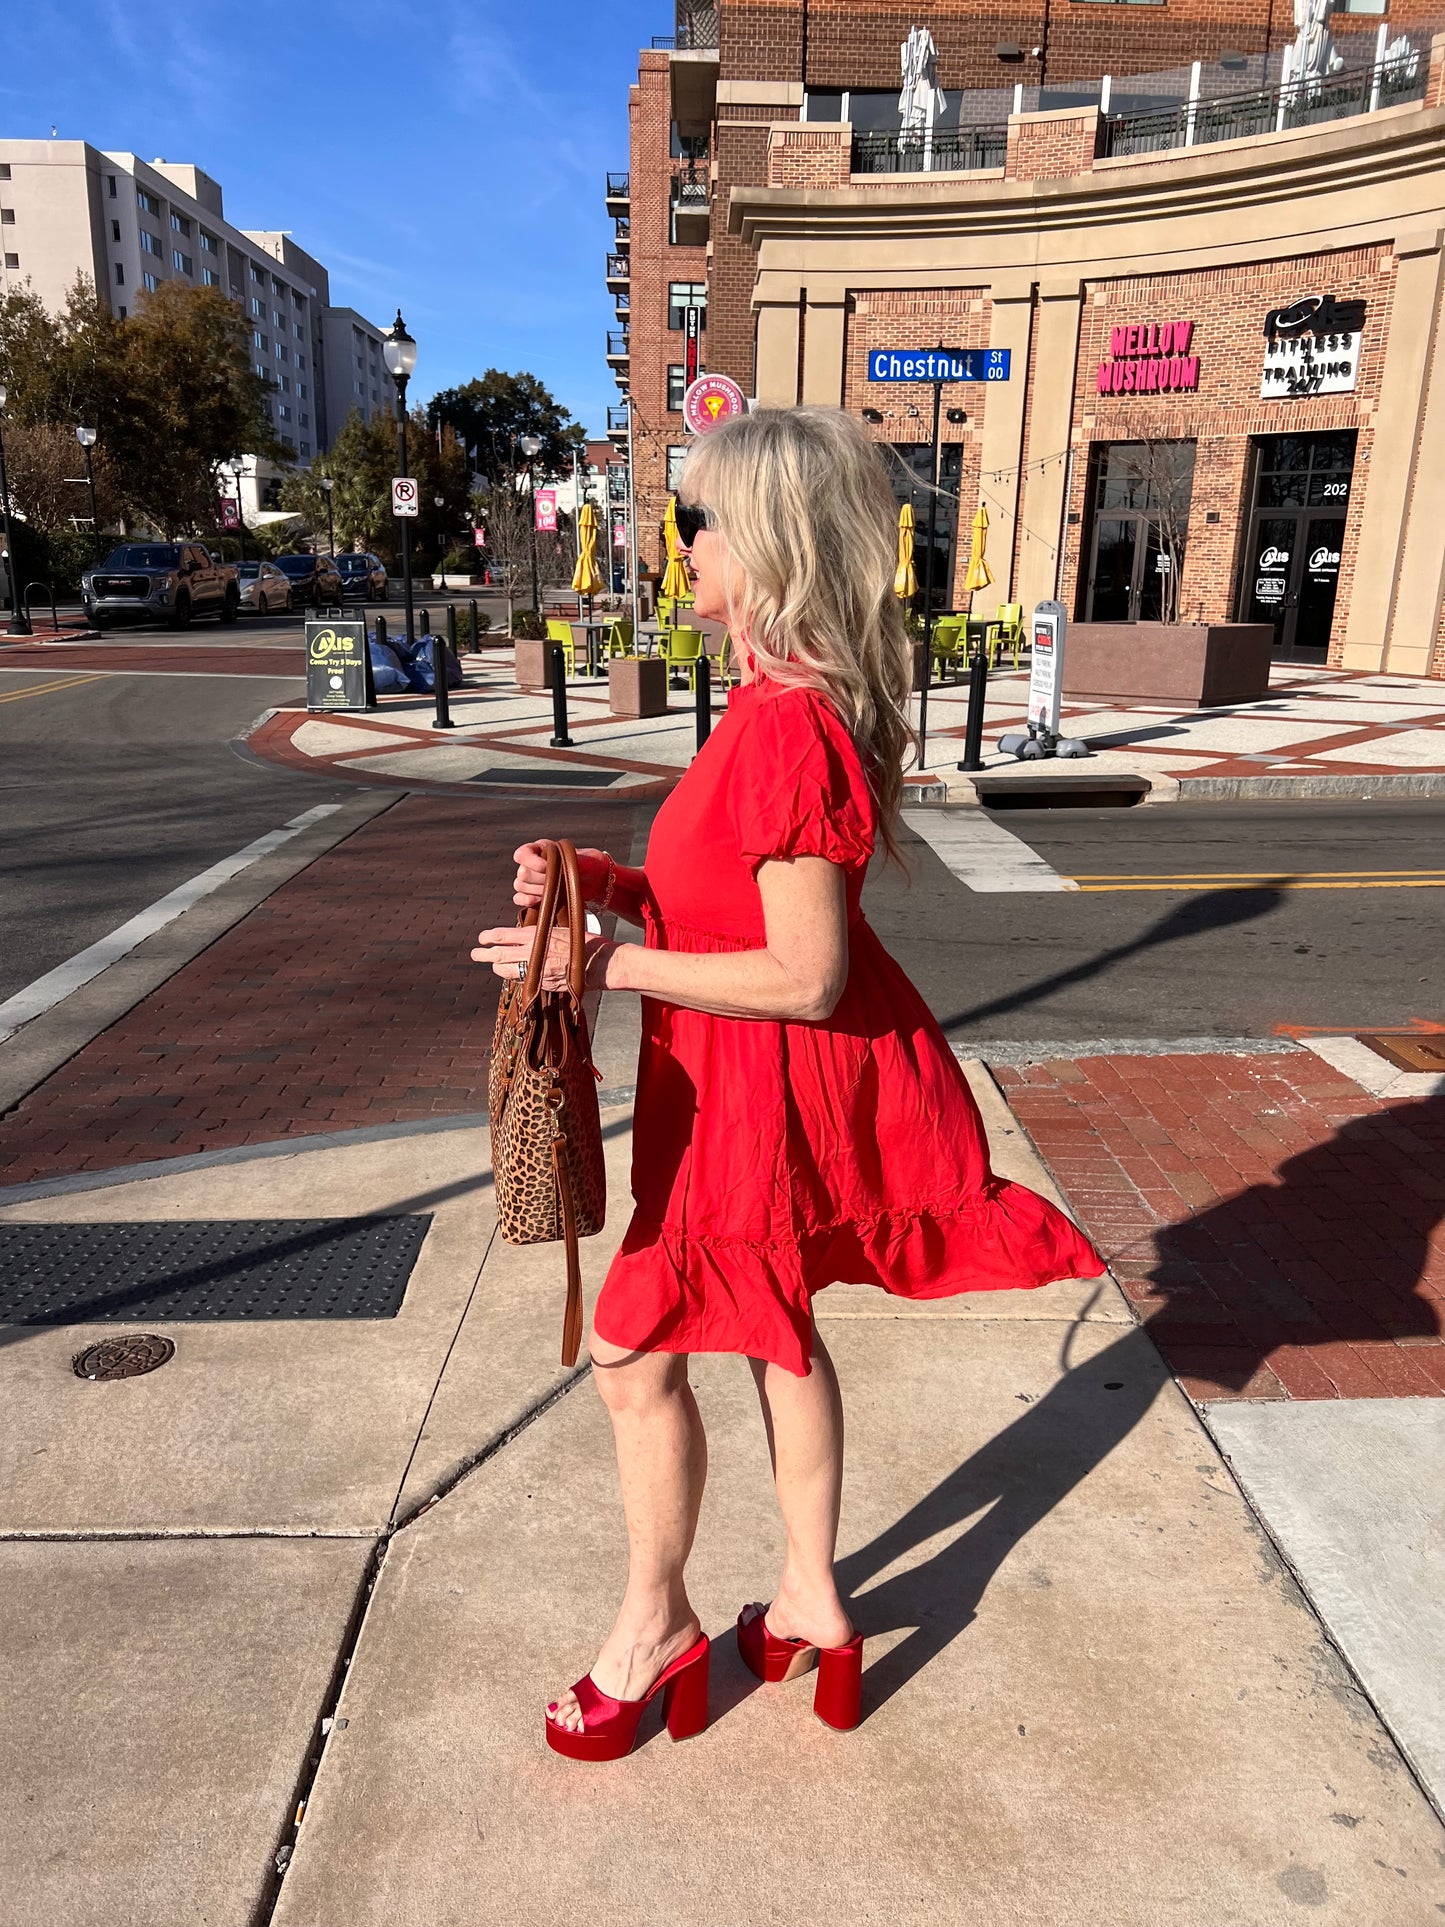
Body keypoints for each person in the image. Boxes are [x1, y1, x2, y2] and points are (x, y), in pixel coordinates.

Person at [471, 407, 1105, 1763]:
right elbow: (724, 899)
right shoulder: (768, 711)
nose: (677, 544)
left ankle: (653, 1632)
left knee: (633, 1354)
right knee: (770, 1330)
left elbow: (805, 973)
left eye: (697, 521)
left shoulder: (785, 728)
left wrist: (610, 967)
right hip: (750, 1091)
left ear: (760, 544)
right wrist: (602, 884)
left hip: (763, 1092)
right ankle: (812, 1604)